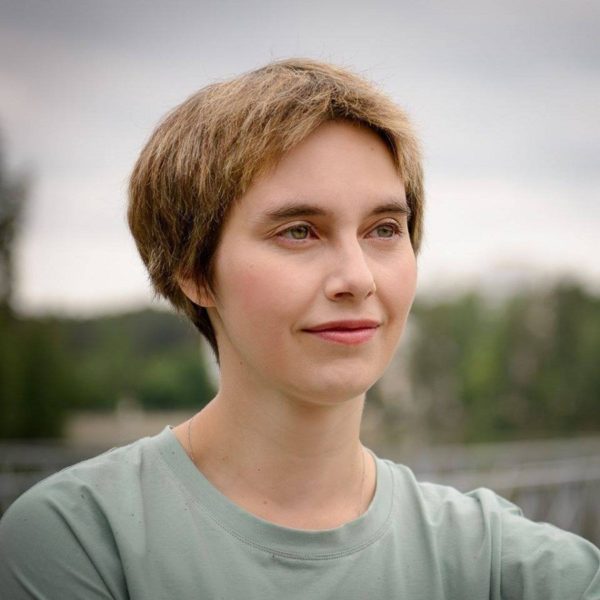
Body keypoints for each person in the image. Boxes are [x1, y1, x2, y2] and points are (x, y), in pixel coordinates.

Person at [0, 58, 598, 599]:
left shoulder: (493, 558)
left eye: (384, 229)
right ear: (195, 273)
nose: (357, 278)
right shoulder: (78, 541)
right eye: (299, 231)